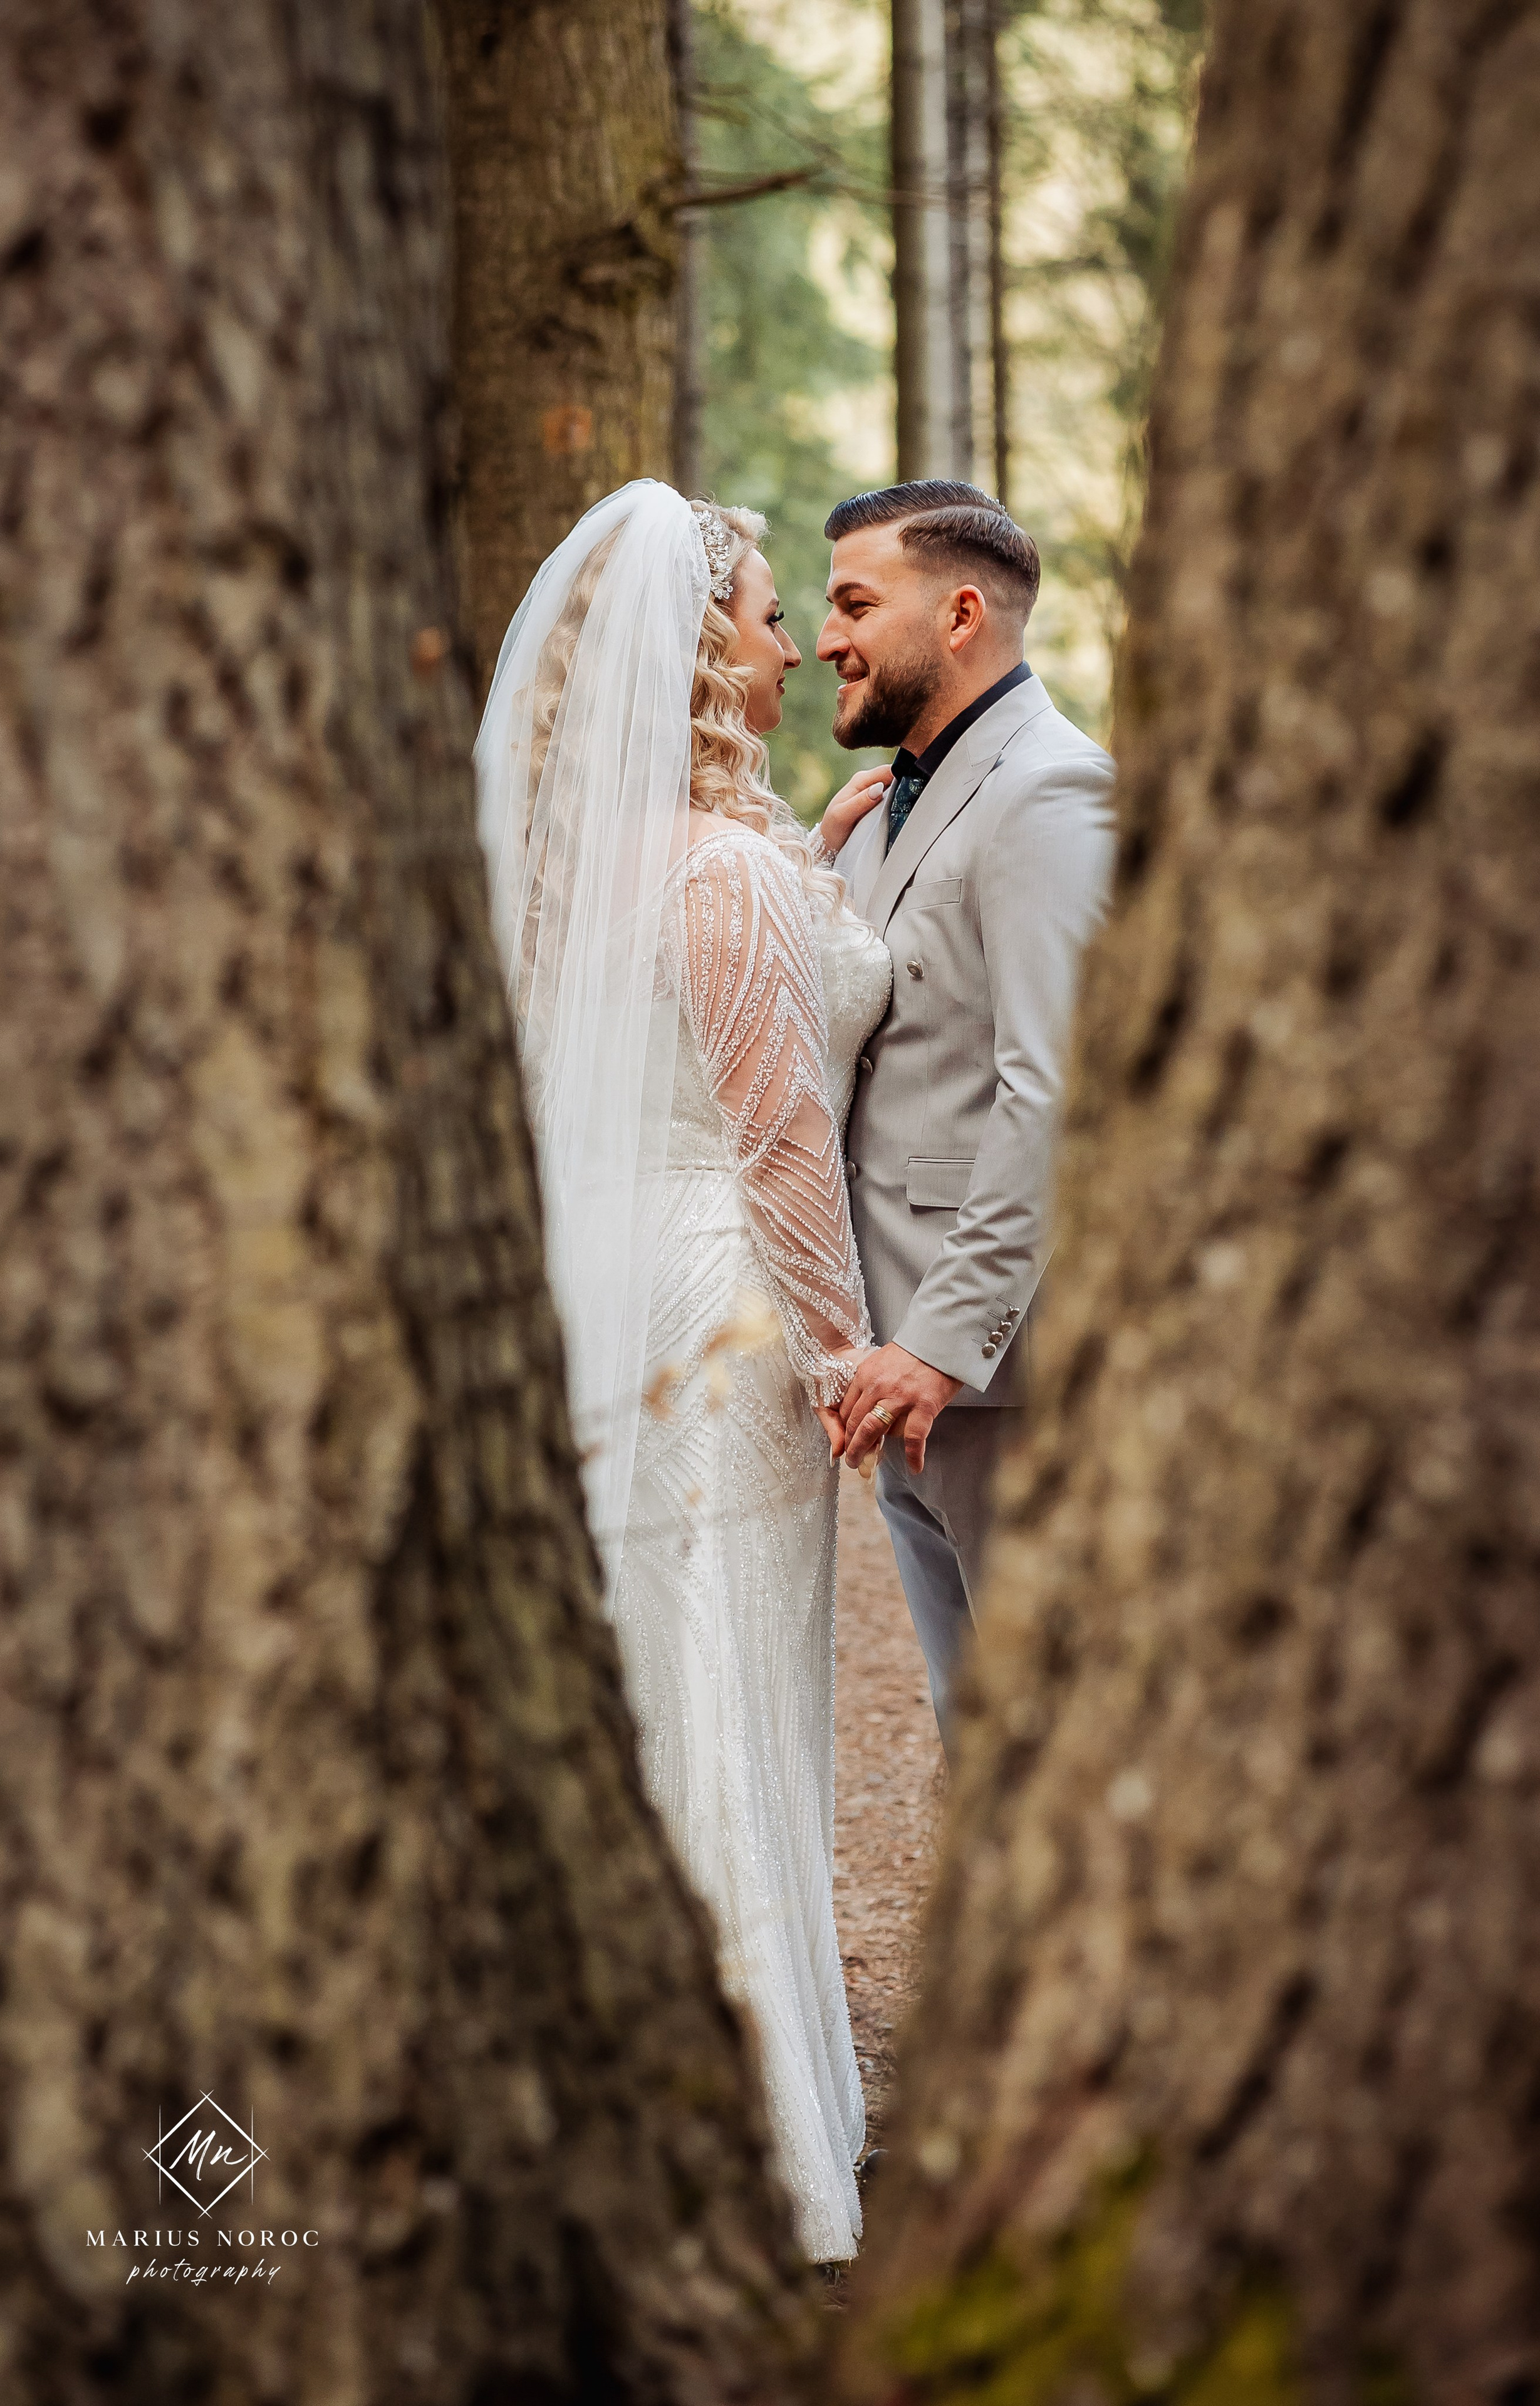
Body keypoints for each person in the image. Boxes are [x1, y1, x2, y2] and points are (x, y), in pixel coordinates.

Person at [473, 481, 893, 2264]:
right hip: (725, 1300)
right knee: (728, 1672)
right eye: (765, 614)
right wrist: (848, 1349)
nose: (794, 640)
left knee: (665, 1655)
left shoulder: (608, 869)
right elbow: (782, 1140)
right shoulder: (724, 876)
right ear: (705, 652)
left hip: (619, 1281)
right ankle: (750, 2139)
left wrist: (808, 858)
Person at [811, 480, 1116, 1749]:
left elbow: (1054, 1091)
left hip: (1001, 1369)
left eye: (853, 602)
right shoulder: (895, 801)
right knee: (967, 1726)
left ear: (961, 615)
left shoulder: (1048, 793)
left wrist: (940, 1342)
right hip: (901, 1371)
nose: (829, 637)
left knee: (1042, 1740)